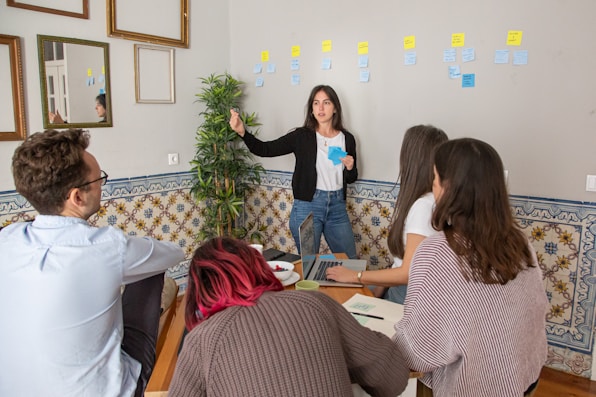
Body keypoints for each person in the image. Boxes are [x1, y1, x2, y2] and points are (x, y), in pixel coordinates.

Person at [0, 129, 185, 397]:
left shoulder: (8, 238)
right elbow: (174, 254)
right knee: (150, 269)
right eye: (100, 179)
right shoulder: (107, 246)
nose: (102, 185)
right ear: (77, 197)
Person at [392, 138, 548, 396]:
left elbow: (416, 353)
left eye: (435, 178)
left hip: (475, 387)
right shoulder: (519, 241)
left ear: (449, 187)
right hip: (525, 377)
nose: (432, 185)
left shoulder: (436, 252)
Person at [168, 237, 410, 397]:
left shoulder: (201, 340)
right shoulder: (316, 303)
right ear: (259, 266)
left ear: (198, 291)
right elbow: (393, 378)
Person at [229, 85, 359, 258]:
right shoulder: (301, 136)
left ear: (335, 108)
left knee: (349, 261)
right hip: (308, 206)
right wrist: (242, 132)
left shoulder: (347, 138)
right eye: (316, 103)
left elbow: (351, 178)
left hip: (337, 206)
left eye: (326, 103)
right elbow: (264, 149)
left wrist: (350, 167)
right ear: (311, 109)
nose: (320, 108)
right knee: (309, 263)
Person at [326, 125, 448, 303]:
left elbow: (407, 273)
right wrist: (380, 288)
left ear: (413, 160)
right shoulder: (430, 200)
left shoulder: (424, 206)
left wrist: (355, 276)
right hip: (399, 290)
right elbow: (403, 261)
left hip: (405, 295)